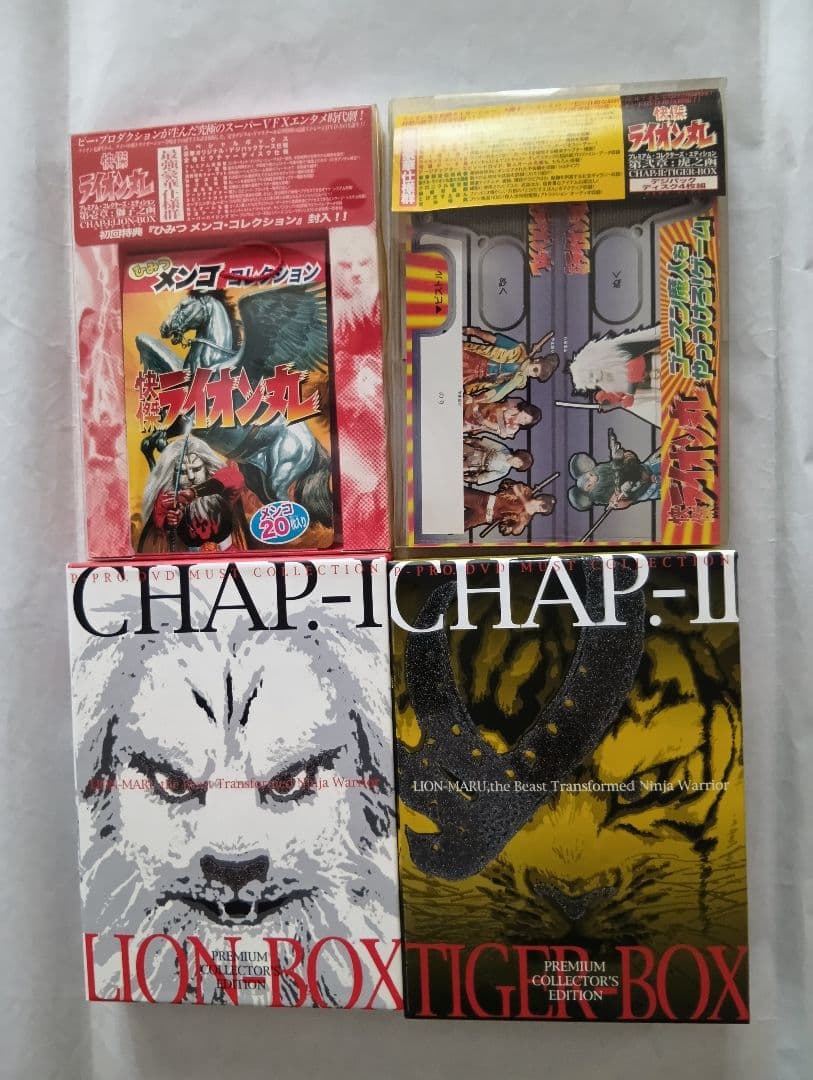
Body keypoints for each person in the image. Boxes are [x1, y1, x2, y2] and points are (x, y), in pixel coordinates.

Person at [139, 434, 260, 552]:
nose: (191, 477)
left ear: (206, 467)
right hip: (189, 558)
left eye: (197, 469)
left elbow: (235, 478)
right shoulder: (169, 497)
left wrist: (194, 492)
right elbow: (159, 523)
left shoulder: (220, 488)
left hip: (228, 553)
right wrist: (170, 521)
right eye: (183, 472)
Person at [567, 428, 661, 511]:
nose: (593, 476)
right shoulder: (608, 496)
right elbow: (627, 501)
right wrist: (619, 499)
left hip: (649, 467)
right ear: (588, 487)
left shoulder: (609, 468)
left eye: (590, 475)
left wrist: (623, 457)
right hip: (650, 489)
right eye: (589, 482)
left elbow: (631, 458)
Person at [462, 325, 560, 402]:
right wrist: (474, 332)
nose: (532, 373)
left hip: (472, 379)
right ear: (536, 360)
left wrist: (475, 400)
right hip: (472, 357)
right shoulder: (518, 350)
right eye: (535, 369)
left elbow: (497, 392)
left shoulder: (518, 381)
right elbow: (494, 339)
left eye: (535, 375)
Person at [463, 479, 555, 536]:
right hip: (483, 500)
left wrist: (521, 523)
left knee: (459, 524)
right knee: (457, 493)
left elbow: (515, 532)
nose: (539, 509)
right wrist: (525, 502)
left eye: (541, 510)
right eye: (542, 505)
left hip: (483, 517)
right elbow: (516, 486)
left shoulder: (527, 517)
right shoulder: (528, 492)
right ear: (540, 498)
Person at [463, 436, 533, 486]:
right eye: (519, 461)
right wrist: (472, 440)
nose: (516, 464)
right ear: (518, 455)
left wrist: (473, 479)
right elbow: (489, 444)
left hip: (474, 465)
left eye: (519, 466)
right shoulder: (504, 450)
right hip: (475, 452)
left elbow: (488, 477)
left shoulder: (504, 471)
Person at [462, 397, 541, 439]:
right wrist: (502, 426)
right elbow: (498, 408)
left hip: (474, 421)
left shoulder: (513, 429)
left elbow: (489, 424)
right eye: (525, 417)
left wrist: (476, 412)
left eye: (525, 422)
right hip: (481, 406)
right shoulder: (516, 403)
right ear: (524, 410)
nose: (522, 421)